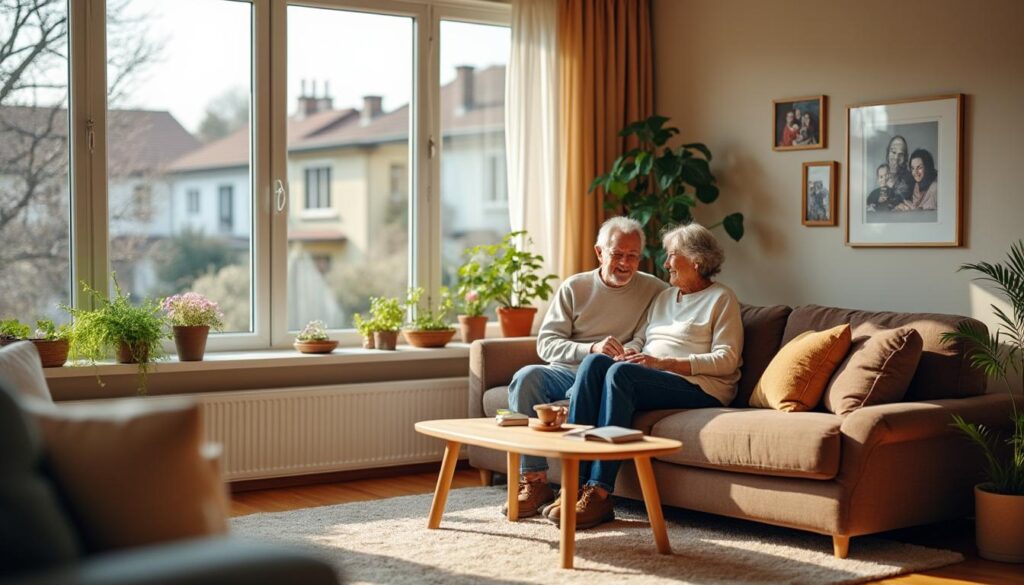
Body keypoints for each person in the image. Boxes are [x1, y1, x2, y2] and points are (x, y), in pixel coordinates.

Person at [545, 223, 743, 529]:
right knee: (595, 363)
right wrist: (628, 353)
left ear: (696, 261)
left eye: (672, 255)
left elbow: (727, 360)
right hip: (654, 375)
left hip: (700, 387)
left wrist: (665, 363)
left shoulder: (721, 298)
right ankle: (572, 485)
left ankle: (599, 493)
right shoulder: (665, 297)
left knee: (622, 376)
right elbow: (642, 339)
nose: (665, 263)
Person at [504, 216, 667, 518]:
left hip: (607, 373)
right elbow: (547, 344)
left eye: (633, 256)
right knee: (525, 378)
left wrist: (629, 349)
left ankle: (580, 487)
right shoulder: (575, 287)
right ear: (599, 252)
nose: (625, 263)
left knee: (595, 371)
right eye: (617, 254)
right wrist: (590, 348)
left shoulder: (655, 289)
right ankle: (535, 482)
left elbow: (650, 335)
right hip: (565, 370)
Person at [885, 135, 914, 203]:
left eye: (901, 154)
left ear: (906, 157)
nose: (896, 158)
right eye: (893, 152)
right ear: (888, 153)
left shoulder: (910, 179)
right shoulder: (882, 174)